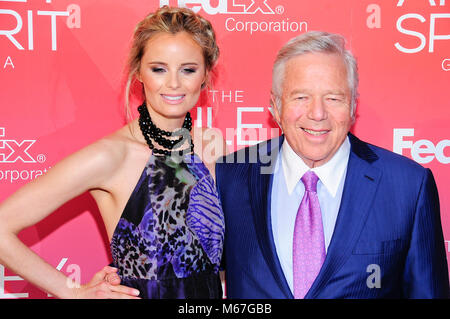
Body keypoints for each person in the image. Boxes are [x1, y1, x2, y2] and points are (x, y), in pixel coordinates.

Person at [0, 6, 226, 299]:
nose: (173, 83)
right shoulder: (112, 156)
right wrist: (74, 292)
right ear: (139, 72)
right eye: (158, 68)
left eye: (188, 69)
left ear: (206, 75)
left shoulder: (213, 148)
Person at [215, 31, 449, 298]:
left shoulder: (407, 186)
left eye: (334, 98)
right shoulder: (229, 178)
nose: (317, 114)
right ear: (275, 106)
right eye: (301, 97)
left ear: (352, 106)